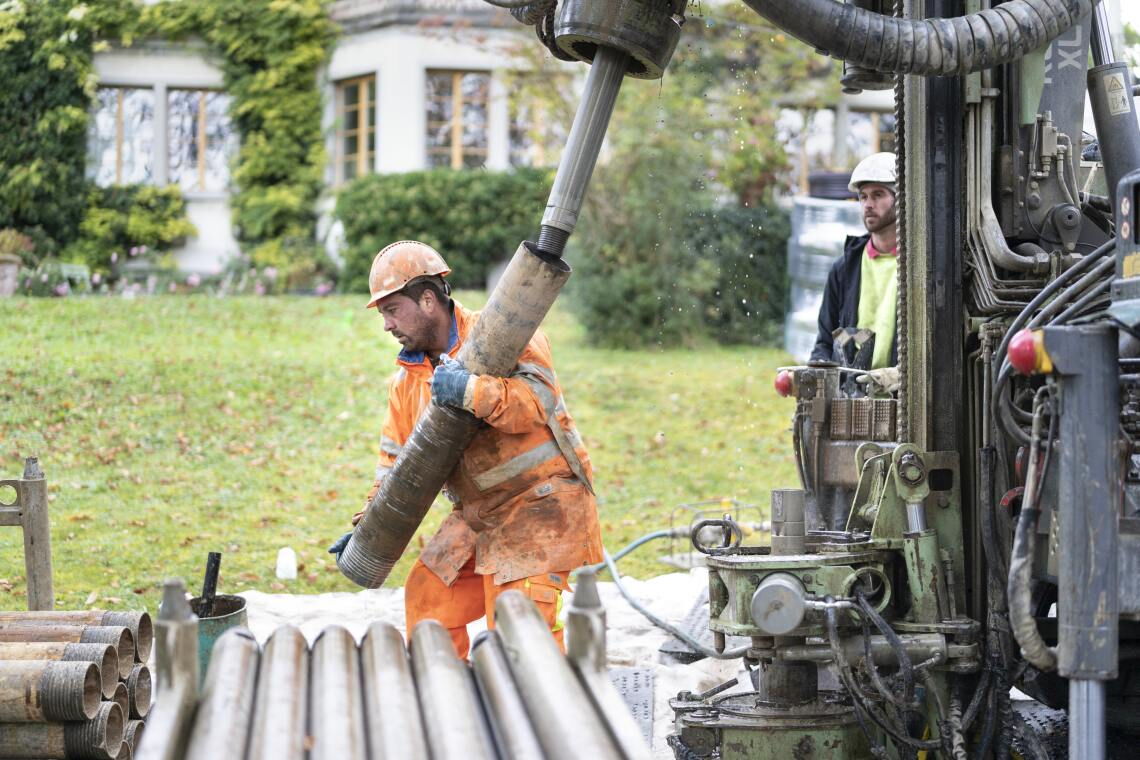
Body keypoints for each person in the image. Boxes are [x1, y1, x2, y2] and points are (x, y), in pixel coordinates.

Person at [330, 240, 603, 659]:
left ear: (426, 299)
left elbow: (535, 406)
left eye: (391, 310)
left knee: (517, 625)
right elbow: (395, 466)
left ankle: (546, 712)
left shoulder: (505, 333)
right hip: (479, 516)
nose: (386, 325)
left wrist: (469, 389)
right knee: (429, 595)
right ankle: (448, 696)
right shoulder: (406, 383)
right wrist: (369, 527)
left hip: (541, 504)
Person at [810, 152, 899, 372]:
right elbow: (825, 341)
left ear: (901, 200)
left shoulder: (918, 267)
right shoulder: (844, 269)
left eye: (878, 195)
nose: (869, 204)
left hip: (902, 396)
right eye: (863, 196)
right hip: (851, 396)